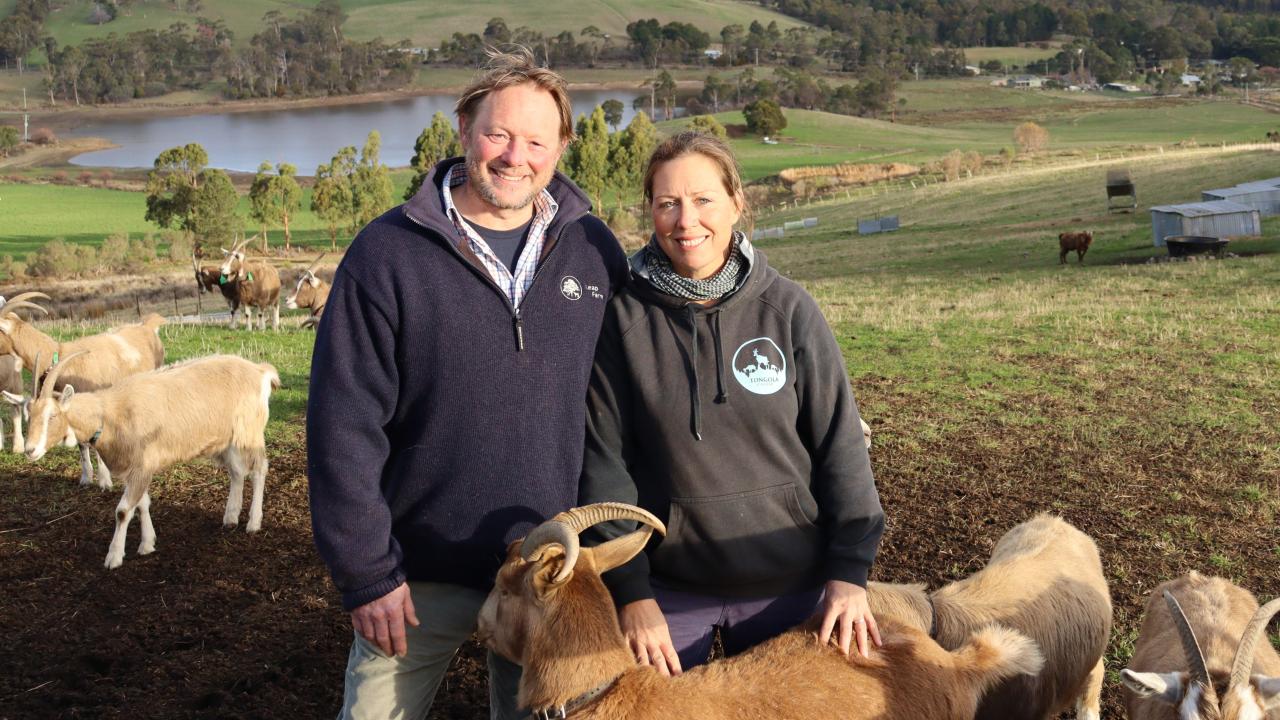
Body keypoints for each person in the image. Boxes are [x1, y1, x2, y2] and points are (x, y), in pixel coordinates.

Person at [307, 47, 628, 720]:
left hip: (547, 576)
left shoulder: (593, 249)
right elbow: (343, 425)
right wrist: (367, 574)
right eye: (498, 134)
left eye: (537, 140)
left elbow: (619, 408)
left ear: (563, 146)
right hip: (414, 578)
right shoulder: (386, 254)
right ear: (463, 130)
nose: (516, 156)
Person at [580, 131, 884, 677]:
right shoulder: (621, 321)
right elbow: (605, 465)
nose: (685, 221)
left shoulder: (788, 309)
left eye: (703, 200)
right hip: (668, 594)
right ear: (650, 210)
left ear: (737, 203)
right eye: (667, 203)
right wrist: (630, 591)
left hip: (791, 588)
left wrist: (849, 572)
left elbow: (840, 445)